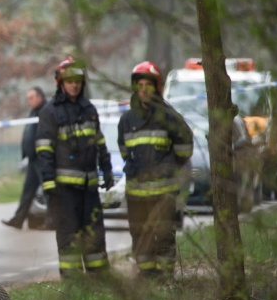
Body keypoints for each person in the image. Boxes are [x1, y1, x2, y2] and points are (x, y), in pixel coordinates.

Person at [35, 57, 113, 278]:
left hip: (89, 189)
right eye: (69, 81)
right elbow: (44, 150)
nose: (74, 85)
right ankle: (73, 286)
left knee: (94, 236)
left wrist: (106, 168)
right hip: (64, 191)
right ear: (60, 83)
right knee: (69, 238)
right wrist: (49, 184)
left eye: (78, 81)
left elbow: (99, 142)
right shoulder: (50, 112)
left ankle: (100, 283)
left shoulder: (89, 109)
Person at [117, 62, 193, 278]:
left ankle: (165, 279)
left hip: (164, 192)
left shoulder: (170, 117)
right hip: (136, 193)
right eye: (139, 85)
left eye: (147, 85)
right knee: (140, 236)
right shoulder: (127, 120)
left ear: (156, 87)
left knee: (164, 236)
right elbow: (124, 150)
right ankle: (146, 278)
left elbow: (184, 148)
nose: (143, 89)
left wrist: (168, 167)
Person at [3, 86, 47, 229]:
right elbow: (29, 134)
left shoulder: (45, 111)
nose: (28, 101)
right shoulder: (33, 112)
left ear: (39, 97)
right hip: (32, 159)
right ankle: (18, 220)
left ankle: (53, 221)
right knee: (27, 191)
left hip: (42, 158)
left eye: (31, 98)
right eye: (27, 98)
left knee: (48, 191)